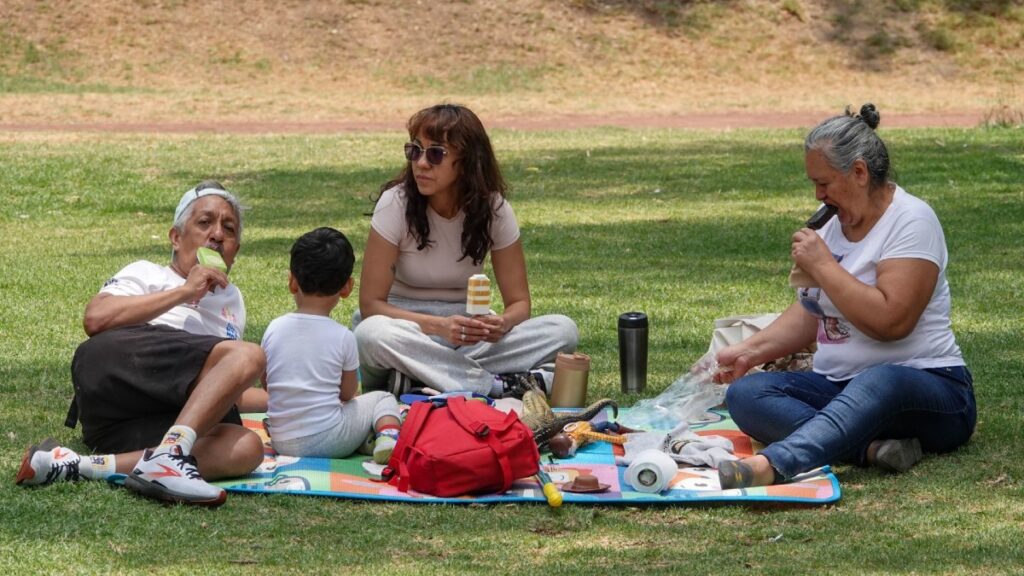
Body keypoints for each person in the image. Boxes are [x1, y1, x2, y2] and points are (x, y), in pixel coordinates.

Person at [715, 104, 976, 489]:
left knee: (880, 380)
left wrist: (824, 266)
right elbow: (811, 312)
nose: (818, 194)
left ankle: (776, 464)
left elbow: (892, 323)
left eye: (824, 183)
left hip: (929, 389)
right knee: (747, 394)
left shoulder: (913, 220)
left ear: (858, 172)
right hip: (840, 387)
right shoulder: (834, 223)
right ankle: (870, 450)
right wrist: (750, 352)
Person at [15, 181, 267, 507]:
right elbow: (96, 319)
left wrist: (282, 400)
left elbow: (220, 381)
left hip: (142, 421)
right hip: (117, 373)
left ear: (235, 249)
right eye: (204, 223)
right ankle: (172, 453)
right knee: (249, 354)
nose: (217, 234)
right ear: (176, 237)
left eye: (228, 228)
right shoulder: (148, 273)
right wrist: (184, 292)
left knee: (246, 446)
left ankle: (79, 466)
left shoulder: (233, 303)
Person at [354, 103, 579, 398]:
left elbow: (520, 303)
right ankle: (496, 385)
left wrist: (502, 323)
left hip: (470, 334)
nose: (421, 163)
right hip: (408, 330)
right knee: (370, 335)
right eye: (415, 150)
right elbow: (371, 304)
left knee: (563, 330)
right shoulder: (395, 203)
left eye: (435, 154)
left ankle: (416, 381)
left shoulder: (494, 210)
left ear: (468, 161)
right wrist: (438, 327)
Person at [262, 227, 402, 464]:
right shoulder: (343, 336)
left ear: (292, 282)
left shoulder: (274, 328)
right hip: (330, 439)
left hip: (281, 439)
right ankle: (388, 439)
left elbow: (268, 383)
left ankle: (368, 439)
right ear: (347, 287)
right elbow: (348, 393)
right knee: (382, 399)